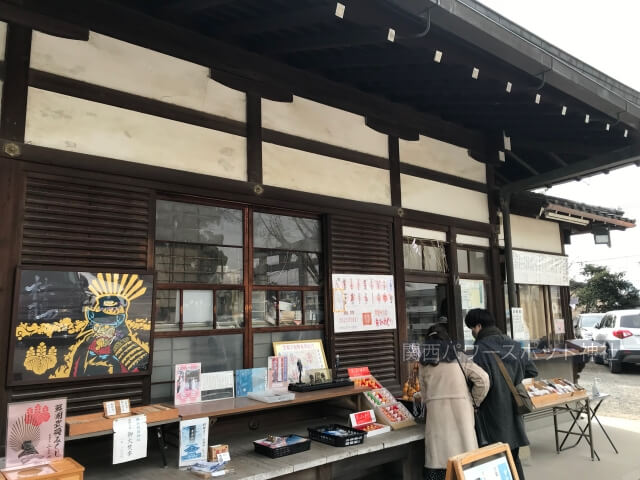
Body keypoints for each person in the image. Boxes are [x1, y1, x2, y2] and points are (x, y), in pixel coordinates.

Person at [465, 309, 538, 480]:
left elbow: (478, 381)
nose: (472, 332)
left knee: (494, 463)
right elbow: (532, 370)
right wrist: (512, 381)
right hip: (514, 409)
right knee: (514, 459)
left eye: (472, 328)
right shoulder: (512, 343)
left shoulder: (480, 348)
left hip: (491, 412)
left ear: (479, 326)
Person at [418, 324, 490, 480]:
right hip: (462, 418)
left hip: (437, 421)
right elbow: (483, 380)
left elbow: (423, 396)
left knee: (439, 464)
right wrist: (474, 402)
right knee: (467, 466)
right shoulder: (459, 357)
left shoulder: (424, 364)